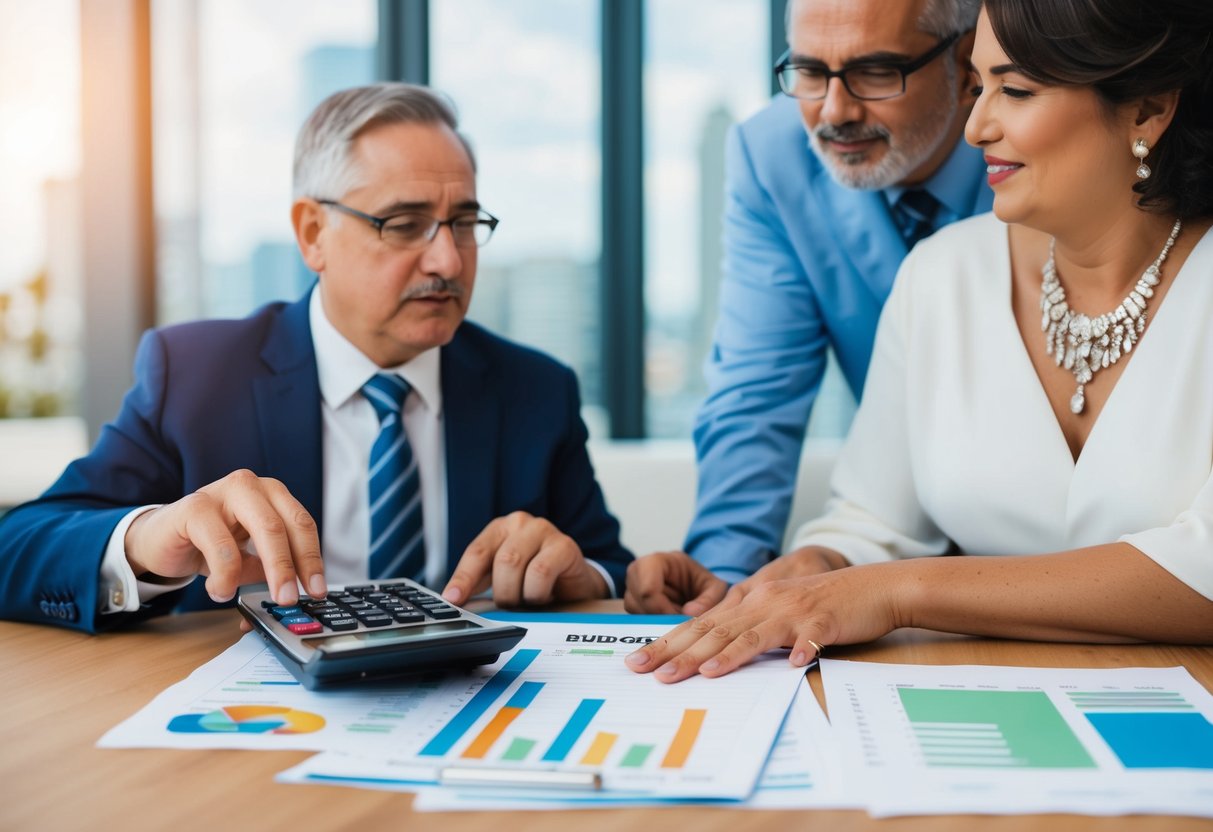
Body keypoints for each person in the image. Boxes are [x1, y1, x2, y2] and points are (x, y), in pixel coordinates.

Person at [627, 0, 1213, 681]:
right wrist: (819, 566)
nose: (975, 126)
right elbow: (870, 519)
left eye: (1016, 91)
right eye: (980, 85)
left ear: (1147, 109)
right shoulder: (941, 273)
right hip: (994, 700)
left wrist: (896, 591)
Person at [0, 83, 631, 632]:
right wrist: (145, 541)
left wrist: (582, 574)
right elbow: (18, 548)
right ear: (312, 234)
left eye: (463, 223)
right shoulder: (195, 373)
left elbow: (611, 568)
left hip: (475, 704)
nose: (447, 260)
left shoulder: (535, 389)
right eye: (404, 224)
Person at [625, 0, 993, 615]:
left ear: (966, 62)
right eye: (810, 72)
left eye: (875, 72)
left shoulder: (1037, 149)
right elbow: (756, 391)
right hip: (888, 550)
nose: (834, 111)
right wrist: (723, 579)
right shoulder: (772, 154)